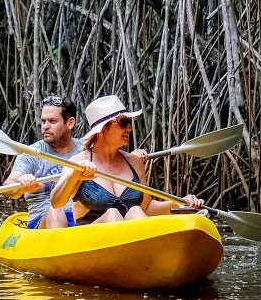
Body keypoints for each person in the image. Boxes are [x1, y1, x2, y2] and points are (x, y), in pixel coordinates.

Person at [48, 94, 204, 225]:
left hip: (130, 237)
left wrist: (177, 203)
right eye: (123, 123)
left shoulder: (134, 162)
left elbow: (147, 207)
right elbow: (56, 202)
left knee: (135, 211)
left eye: (129, 122)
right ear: (103, 129)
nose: (130, 128)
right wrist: (73, 175)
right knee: (112, 215)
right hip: (92, 239)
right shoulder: (78, 162)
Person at [6, 96, 83, 229]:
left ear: (70, 123)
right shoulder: (31, 153)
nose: (45, 127)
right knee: (56, 210)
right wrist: (21, 185)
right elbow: (9, 187)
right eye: (43, 121)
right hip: (44, 220)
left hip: (80, 219)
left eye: (52, 121)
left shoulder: (85, 149)